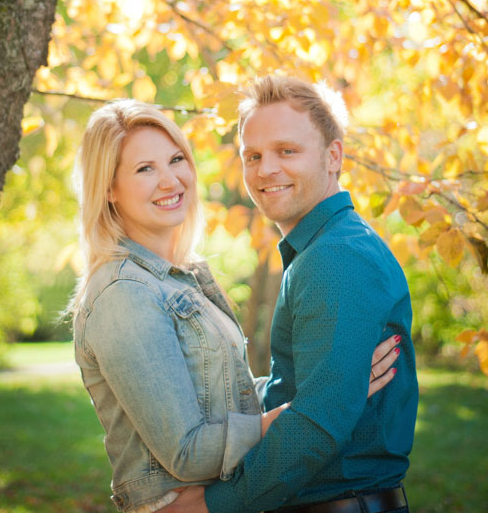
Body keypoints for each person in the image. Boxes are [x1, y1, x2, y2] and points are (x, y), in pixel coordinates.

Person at [72, 98, 400, 513]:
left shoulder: (178, 278)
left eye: (176, 159)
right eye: (144, 169)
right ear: (108, 188)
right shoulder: (124, 294)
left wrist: (329, 379)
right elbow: (188, 452)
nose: (170, 180)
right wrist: (308, 409)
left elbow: (219, 394)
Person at [162, 76, 418, 513]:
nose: (265, 170)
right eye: (253, 156)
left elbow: (317, 424)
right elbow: (301, 397)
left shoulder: (337, 257)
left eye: (287, 151)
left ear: (333, 156)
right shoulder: (321, 249)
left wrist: (210, 506)